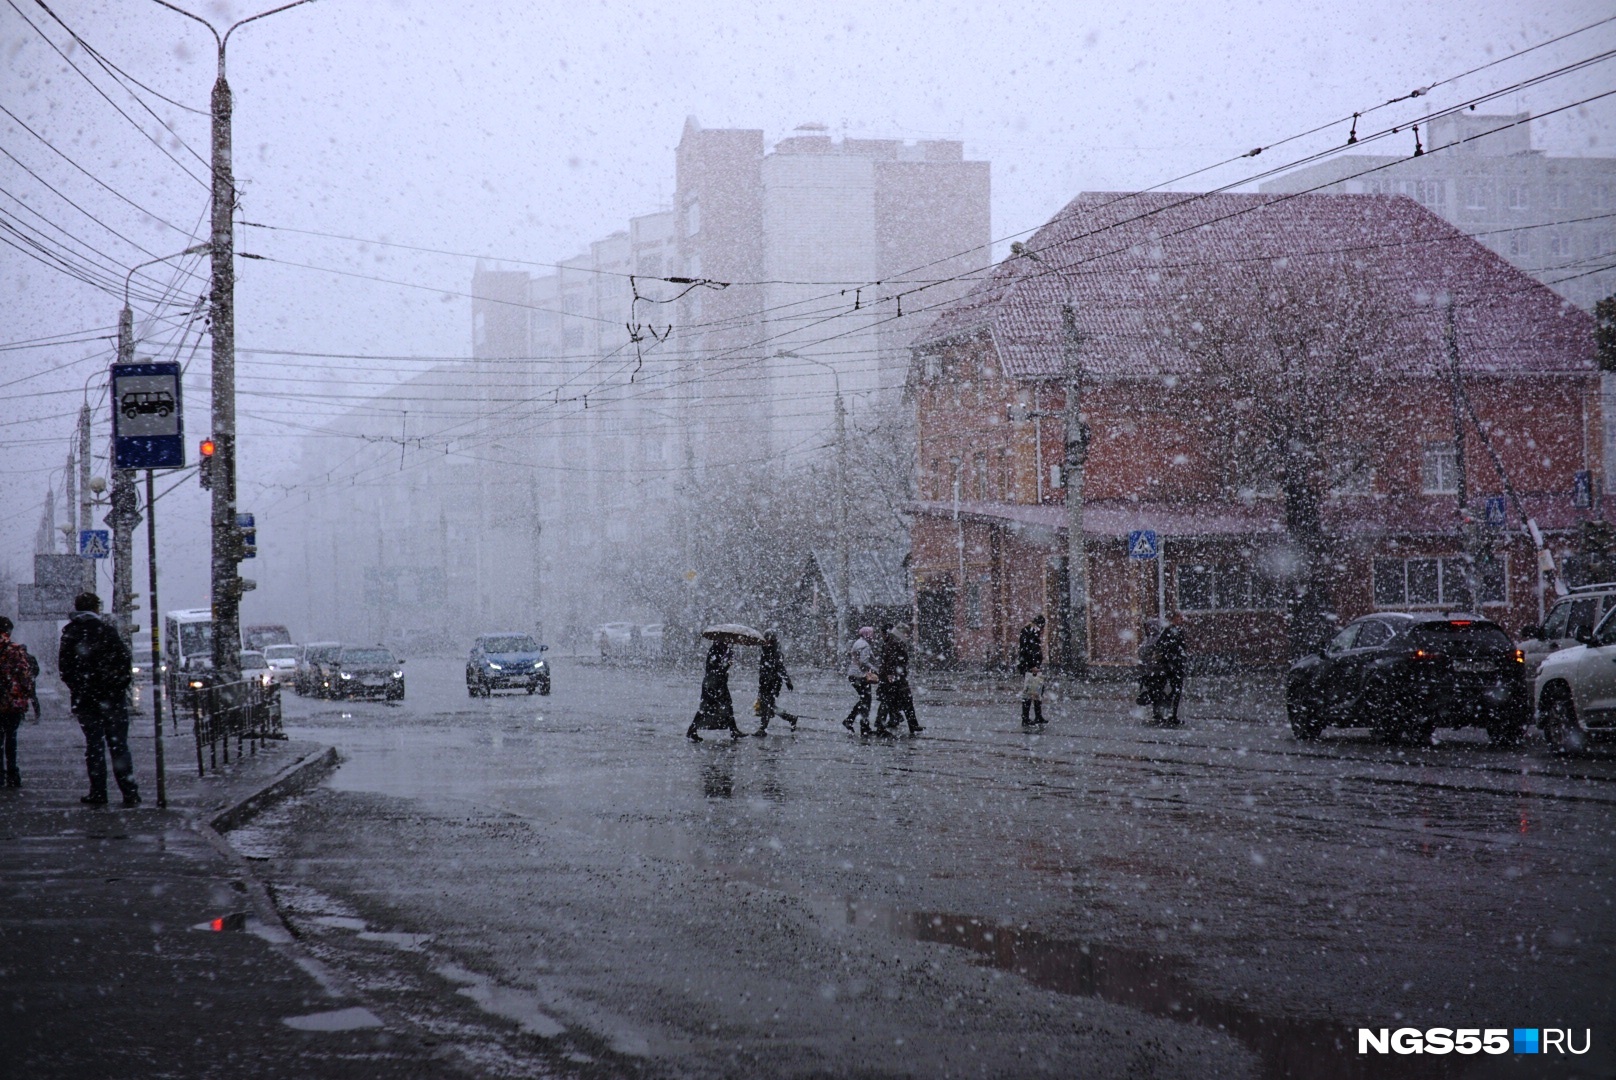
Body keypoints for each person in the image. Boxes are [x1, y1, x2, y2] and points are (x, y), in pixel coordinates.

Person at [58, 592, 140, 806]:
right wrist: (116, 687)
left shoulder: (71, 633)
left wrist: (81, 688)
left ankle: (98, 792)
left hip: (86, 700)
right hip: (112, 699)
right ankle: (129, 793)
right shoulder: (107, 631)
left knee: (94, 746)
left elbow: (65, 669)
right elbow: (124, 662)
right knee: (119, 746)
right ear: (96, 608)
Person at [0, 617, 35, 787]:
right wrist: (26, 695)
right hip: (11, 702)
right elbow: (25, 677)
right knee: (11, 738)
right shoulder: (15, 650)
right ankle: (12, 774)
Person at [687, 638, 744, 742]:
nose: (728, 641)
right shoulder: (714, 650)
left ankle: (733, 730)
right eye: (726, 640)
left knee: (726, 705)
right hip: (712, 685)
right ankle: (692, 730)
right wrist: (726, 664)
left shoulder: (724, 650)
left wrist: (727, 660)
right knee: (706, 707)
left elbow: (720, 669)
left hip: (719, 684)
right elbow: (715, 669)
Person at [873, 623, 923, 736]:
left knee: (897, 701)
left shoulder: (894, 641)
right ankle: (881, 725)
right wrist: (891, 674)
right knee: (892, 701)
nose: (908, 635)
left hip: (896, 677)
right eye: (906, 633)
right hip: (894, 678)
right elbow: (891, 659)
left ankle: (910, 724)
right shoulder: (895, 642)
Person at [1140, 614, 1188, 726]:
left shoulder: (1166, 634)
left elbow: (1175, 649)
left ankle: (1166, 714)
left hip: (1163, 669)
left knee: (1164, 692)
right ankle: (1163, 714)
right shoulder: (1161, 635)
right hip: (1160, 670)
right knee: (1159, 693)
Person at [753, 631, 799, 735]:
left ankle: (762, 729)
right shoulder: (764, 651)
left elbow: (780, 668)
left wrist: (787, 681)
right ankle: (791, 718)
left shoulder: (776, 652)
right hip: (764, 683)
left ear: (772, 640)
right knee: (770, 707)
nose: (766, 642)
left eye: (768, 640)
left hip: (773, 684)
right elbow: (763, 669)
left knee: (766, 705)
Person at [843, 626, 878, 736]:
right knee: (866, 701)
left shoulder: (859, 642)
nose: (873, 636)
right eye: (872, 634)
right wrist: (876, 670)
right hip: (860, 676)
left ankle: (857, 723)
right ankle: (861, 725)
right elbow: (864, 661)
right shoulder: (865, 645)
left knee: (864, 700)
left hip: (854, 675)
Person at [1017, 614, 1046, 727]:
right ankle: (1026, 718)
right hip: (1030, 667)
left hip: (1032, 666)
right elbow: (1028, 651)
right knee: (1031, 692)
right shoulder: (1030, 632)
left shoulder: (1030, 631)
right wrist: (1032, 666)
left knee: (1037, 690)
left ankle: (1036, 716)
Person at [20, 643, 41, 721]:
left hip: (23, 681)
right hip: (29, 680)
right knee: (32, 698)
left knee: (22, 698)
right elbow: (37, 669)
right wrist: (32, 676)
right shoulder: (31, 658)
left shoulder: (19, 658)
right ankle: (37, 714)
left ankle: (22, 716)